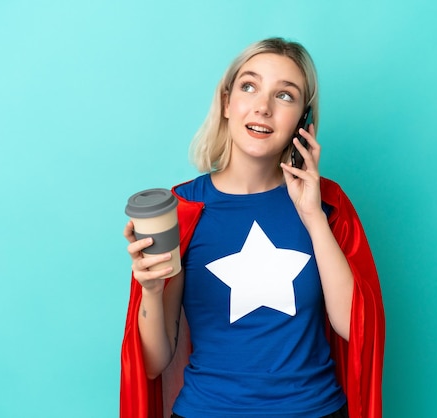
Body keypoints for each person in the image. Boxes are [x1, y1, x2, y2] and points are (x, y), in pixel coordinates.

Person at [120, 37, 385, 418]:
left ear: (303, 121)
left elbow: (352, 326)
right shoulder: (184, 210)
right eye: (249, 86)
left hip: (315, 410)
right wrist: (149, 290)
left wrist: (311, 214)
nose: (263, 107)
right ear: (227, 102)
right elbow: (152, 363)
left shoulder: (328, 205)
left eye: (285, 96)